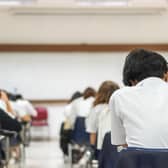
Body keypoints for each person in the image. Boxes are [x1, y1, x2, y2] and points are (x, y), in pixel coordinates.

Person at [110, 49, 168, 148]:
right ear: (164, 74)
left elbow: (121, 143)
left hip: (137, 161)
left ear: (132, 80)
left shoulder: (119, 96)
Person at [86, 81, 119, 150]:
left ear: (100, 93)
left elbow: (93, 132)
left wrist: (93, 151)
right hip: (120, 148)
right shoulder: (120, 107)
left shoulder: (96, 109)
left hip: (103, 148)